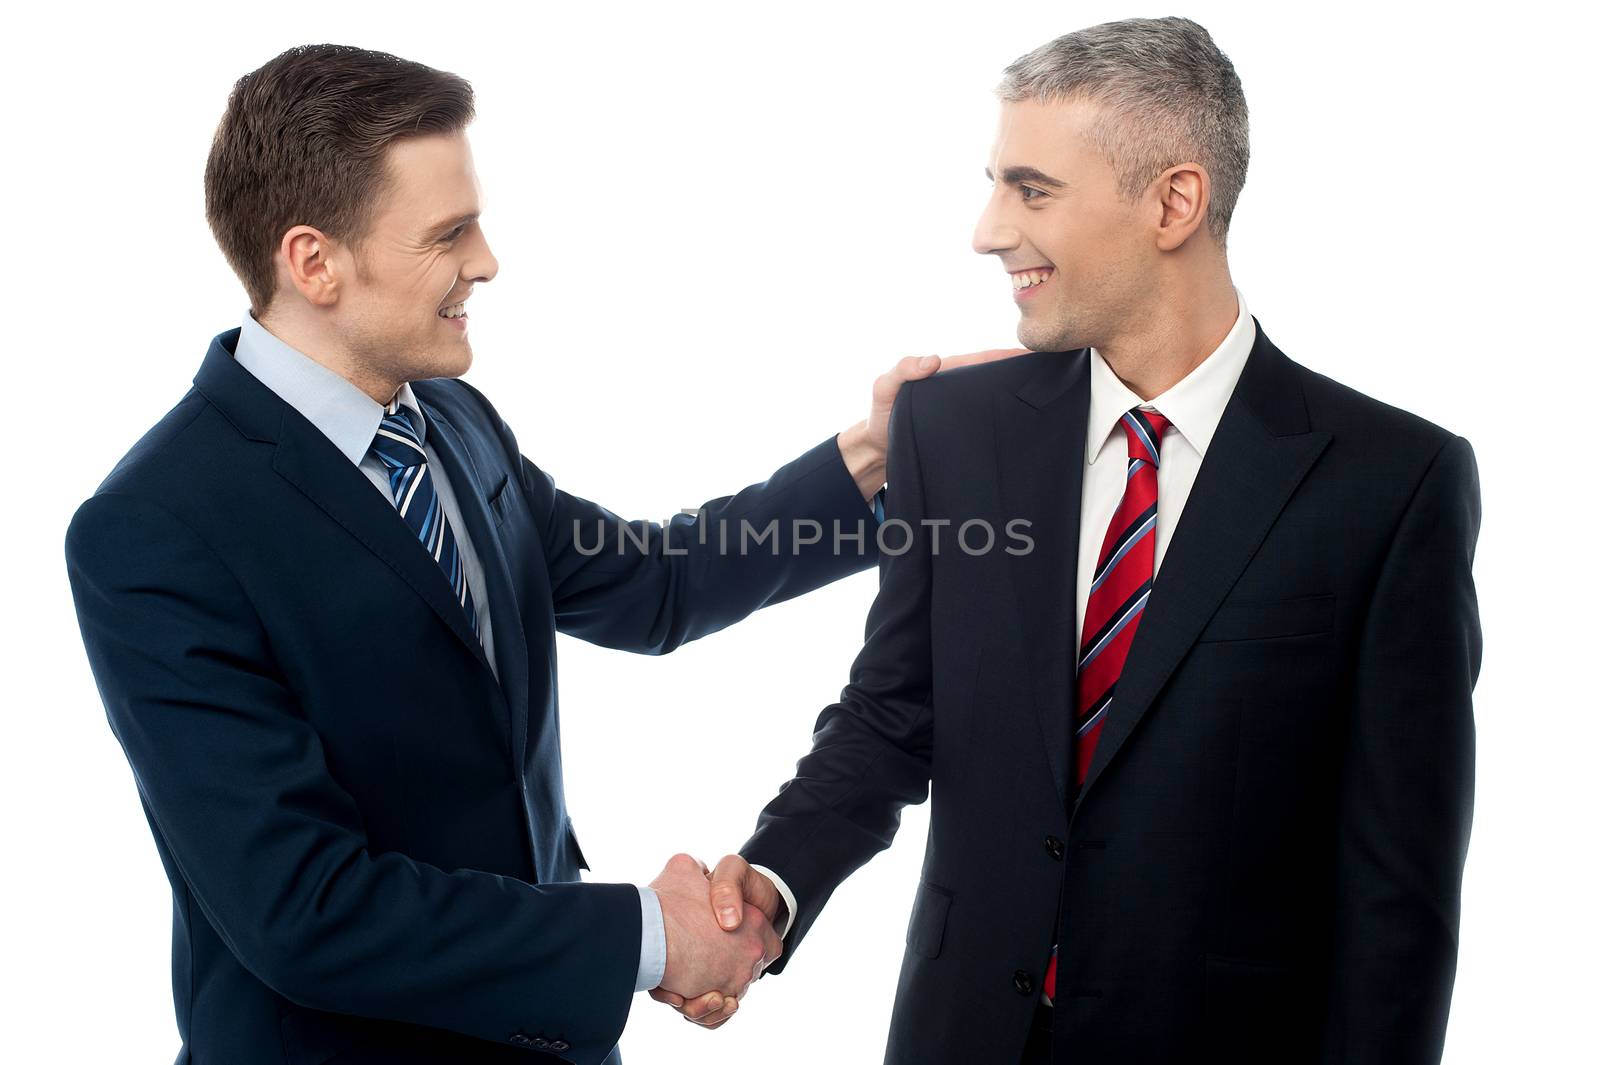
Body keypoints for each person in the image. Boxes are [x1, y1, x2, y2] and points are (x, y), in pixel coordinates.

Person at [62, 44, 1019, 1065]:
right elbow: (306, 908)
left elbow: (655, 582)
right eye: (449, 233)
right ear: (314, 263)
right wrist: (649, 939)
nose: (486, 260)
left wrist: (870, 458)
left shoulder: (451, 422)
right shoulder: (157, 527)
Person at [692, 16, 1482, 1064]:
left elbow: (1398, 890)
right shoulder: (954, 429)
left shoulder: (1390, 484)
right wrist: (774, 880)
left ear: (1174, 202)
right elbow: (894, 713)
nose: (985, 229)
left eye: (1030, 189)